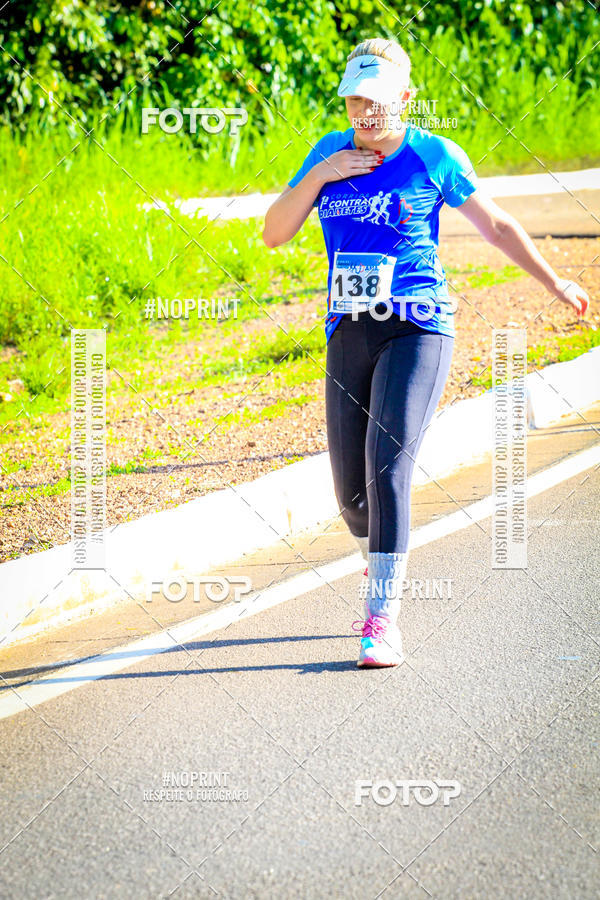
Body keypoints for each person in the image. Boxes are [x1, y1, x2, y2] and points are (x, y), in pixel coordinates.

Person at [262, 37, 590, 668]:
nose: (367, 112)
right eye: (356, 99)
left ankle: (382, 618)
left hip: (419, 327)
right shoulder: (329, 152)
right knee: (351, 498)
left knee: (388, 467)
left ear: (405, 98)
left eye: (379, 100)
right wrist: (321, 175)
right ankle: (377, 560)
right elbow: (275, 234)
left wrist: (556, 281)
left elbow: (495, 224)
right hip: (349, 329)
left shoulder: (433, 154)